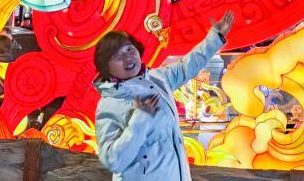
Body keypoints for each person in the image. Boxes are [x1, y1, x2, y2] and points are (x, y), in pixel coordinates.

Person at [94, 11, 234, 180]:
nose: (127, 57)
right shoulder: (110, 104)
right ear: (106, 68)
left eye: (129, 49)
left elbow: (188, 65)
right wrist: (140, 119)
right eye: (118, 56)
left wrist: (215, 37)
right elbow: (114, 160)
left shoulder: (158, 78)